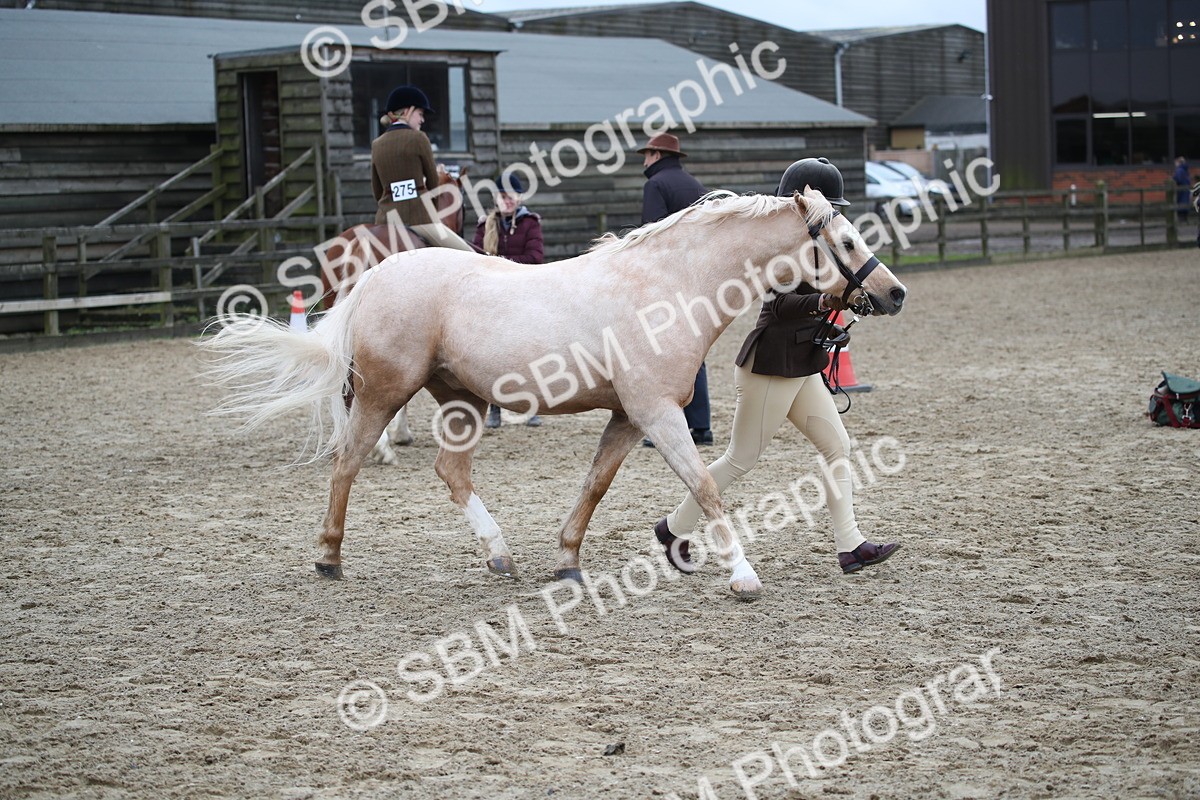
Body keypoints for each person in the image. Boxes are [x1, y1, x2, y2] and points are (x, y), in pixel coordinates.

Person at [652, 157, 901, 576]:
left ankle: (851, 545)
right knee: (739, 460)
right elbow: (779, 304)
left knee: (837, 447)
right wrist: (826, 301)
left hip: (801, 366)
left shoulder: (822, 249)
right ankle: (674, 528)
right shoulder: (782, 251)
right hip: (770, 367)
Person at [639, 132, 713, 447]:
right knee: (692, 353)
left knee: (658, 352)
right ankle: (702, 426)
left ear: (656, 155)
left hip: (667, 280)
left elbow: (651, 234)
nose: (643, 160)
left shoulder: (656, 185)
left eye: (646, 154)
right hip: (698, 278)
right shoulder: (695, 186)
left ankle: (664, 427)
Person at [475, 174, 546, 428]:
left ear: (519, 198)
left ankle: (532, 406)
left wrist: (500, 264)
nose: (507, 200)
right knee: (492, 355)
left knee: (529, 354)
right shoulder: (485, 225)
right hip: (492, 299)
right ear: (495, 198)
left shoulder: (530, 223)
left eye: (511, 196)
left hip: (525, 295)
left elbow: (535, 257)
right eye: (502, 196)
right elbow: (476, 258)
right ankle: (494, 408)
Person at [370, 85, 475, 251]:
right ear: (407, 112)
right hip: (419, 219)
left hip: (385, 220)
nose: (422, 120)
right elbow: (433, 183)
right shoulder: (419, 138)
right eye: (420, 114)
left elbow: (377, 191)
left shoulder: (377, 144)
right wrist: (431, 211)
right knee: (467, 253)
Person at [1173, 157, 1190, 222]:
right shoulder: (1186, 170)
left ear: (1179, 163)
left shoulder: (1179, 170)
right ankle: (1185, 218)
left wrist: (1173, 179)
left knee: (1180, 202)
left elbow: (1178, 179)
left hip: (1181, 190)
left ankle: (1181, 219)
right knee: (1185, 202)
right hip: (1186, 189)